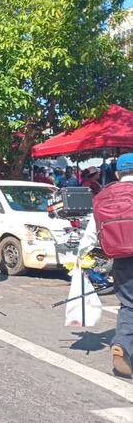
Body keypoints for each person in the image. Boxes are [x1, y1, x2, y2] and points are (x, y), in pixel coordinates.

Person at [78, 152, 133, 378]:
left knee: (129, 305)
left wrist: (80, 257)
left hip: (121, 258)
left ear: (117, 173)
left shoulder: (104, 195)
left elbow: (92, 233)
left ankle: (121, 343)